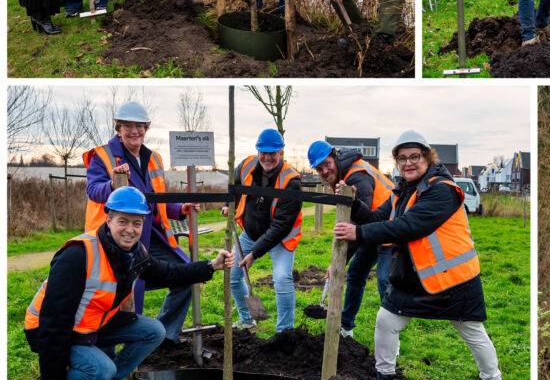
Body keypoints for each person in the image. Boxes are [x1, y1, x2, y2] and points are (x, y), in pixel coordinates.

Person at [334, 131, 501, 380]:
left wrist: (358, 233)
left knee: (473, 331)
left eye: (414, 156)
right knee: (386, 321)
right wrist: (355, 204)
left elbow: (408, 226)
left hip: (454, 279)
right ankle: (385, 374)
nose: (408, 163)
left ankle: (492, 377)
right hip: (415, 275)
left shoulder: (442, 190)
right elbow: (376, 219)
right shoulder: (401, 190)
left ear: (427, 157)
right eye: (402, 158)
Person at [24, 187, 233, 380]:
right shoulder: (78, 254)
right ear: (108, 220)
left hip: (94, 323)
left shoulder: (135, 253)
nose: (130, 230)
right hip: (53, 330)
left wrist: (212, 265)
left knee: (154, 331)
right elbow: (54, 322)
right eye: (123, 221)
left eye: (137, 223)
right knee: (101, 369)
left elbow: (170, 273)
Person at [83, 100, 201, 342]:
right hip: (117, 238)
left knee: (187, 275)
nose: (134, 131)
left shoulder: (153, 158)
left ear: (146, 128)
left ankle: (164, 335)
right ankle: (120, 349)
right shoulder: (103, 156)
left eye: (139, 126)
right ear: (118, 128)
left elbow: (155, 198)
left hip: (151, 235)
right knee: (122, 295)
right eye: (128, 126)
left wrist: (180, 208)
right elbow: (93, 191)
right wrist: (112, 184)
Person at [307, 140, 395, 337]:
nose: (324, 171)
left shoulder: (357, 178)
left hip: (390, 227)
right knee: (356, 273)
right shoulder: (342, 177)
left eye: (327, 164)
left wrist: (338, 261)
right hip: (373, 228)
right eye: (318, 168)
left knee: (384, 280)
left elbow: (357, 225)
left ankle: (391, 335)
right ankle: (346, 328)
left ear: (335, 158)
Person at [224, 128, 304, 332]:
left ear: (281, 152)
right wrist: (229, 203)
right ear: (257, 151)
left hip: (281, 238)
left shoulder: (292, 181)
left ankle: (284, 332)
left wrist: (253, 254)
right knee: (233, 275)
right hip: (250, 233)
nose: (267, 157)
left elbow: (280, 226)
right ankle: (247, 318)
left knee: (282, 278)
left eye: (273, 152)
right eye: (263, 152)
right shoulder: (246, 165)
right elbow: (234, 186)